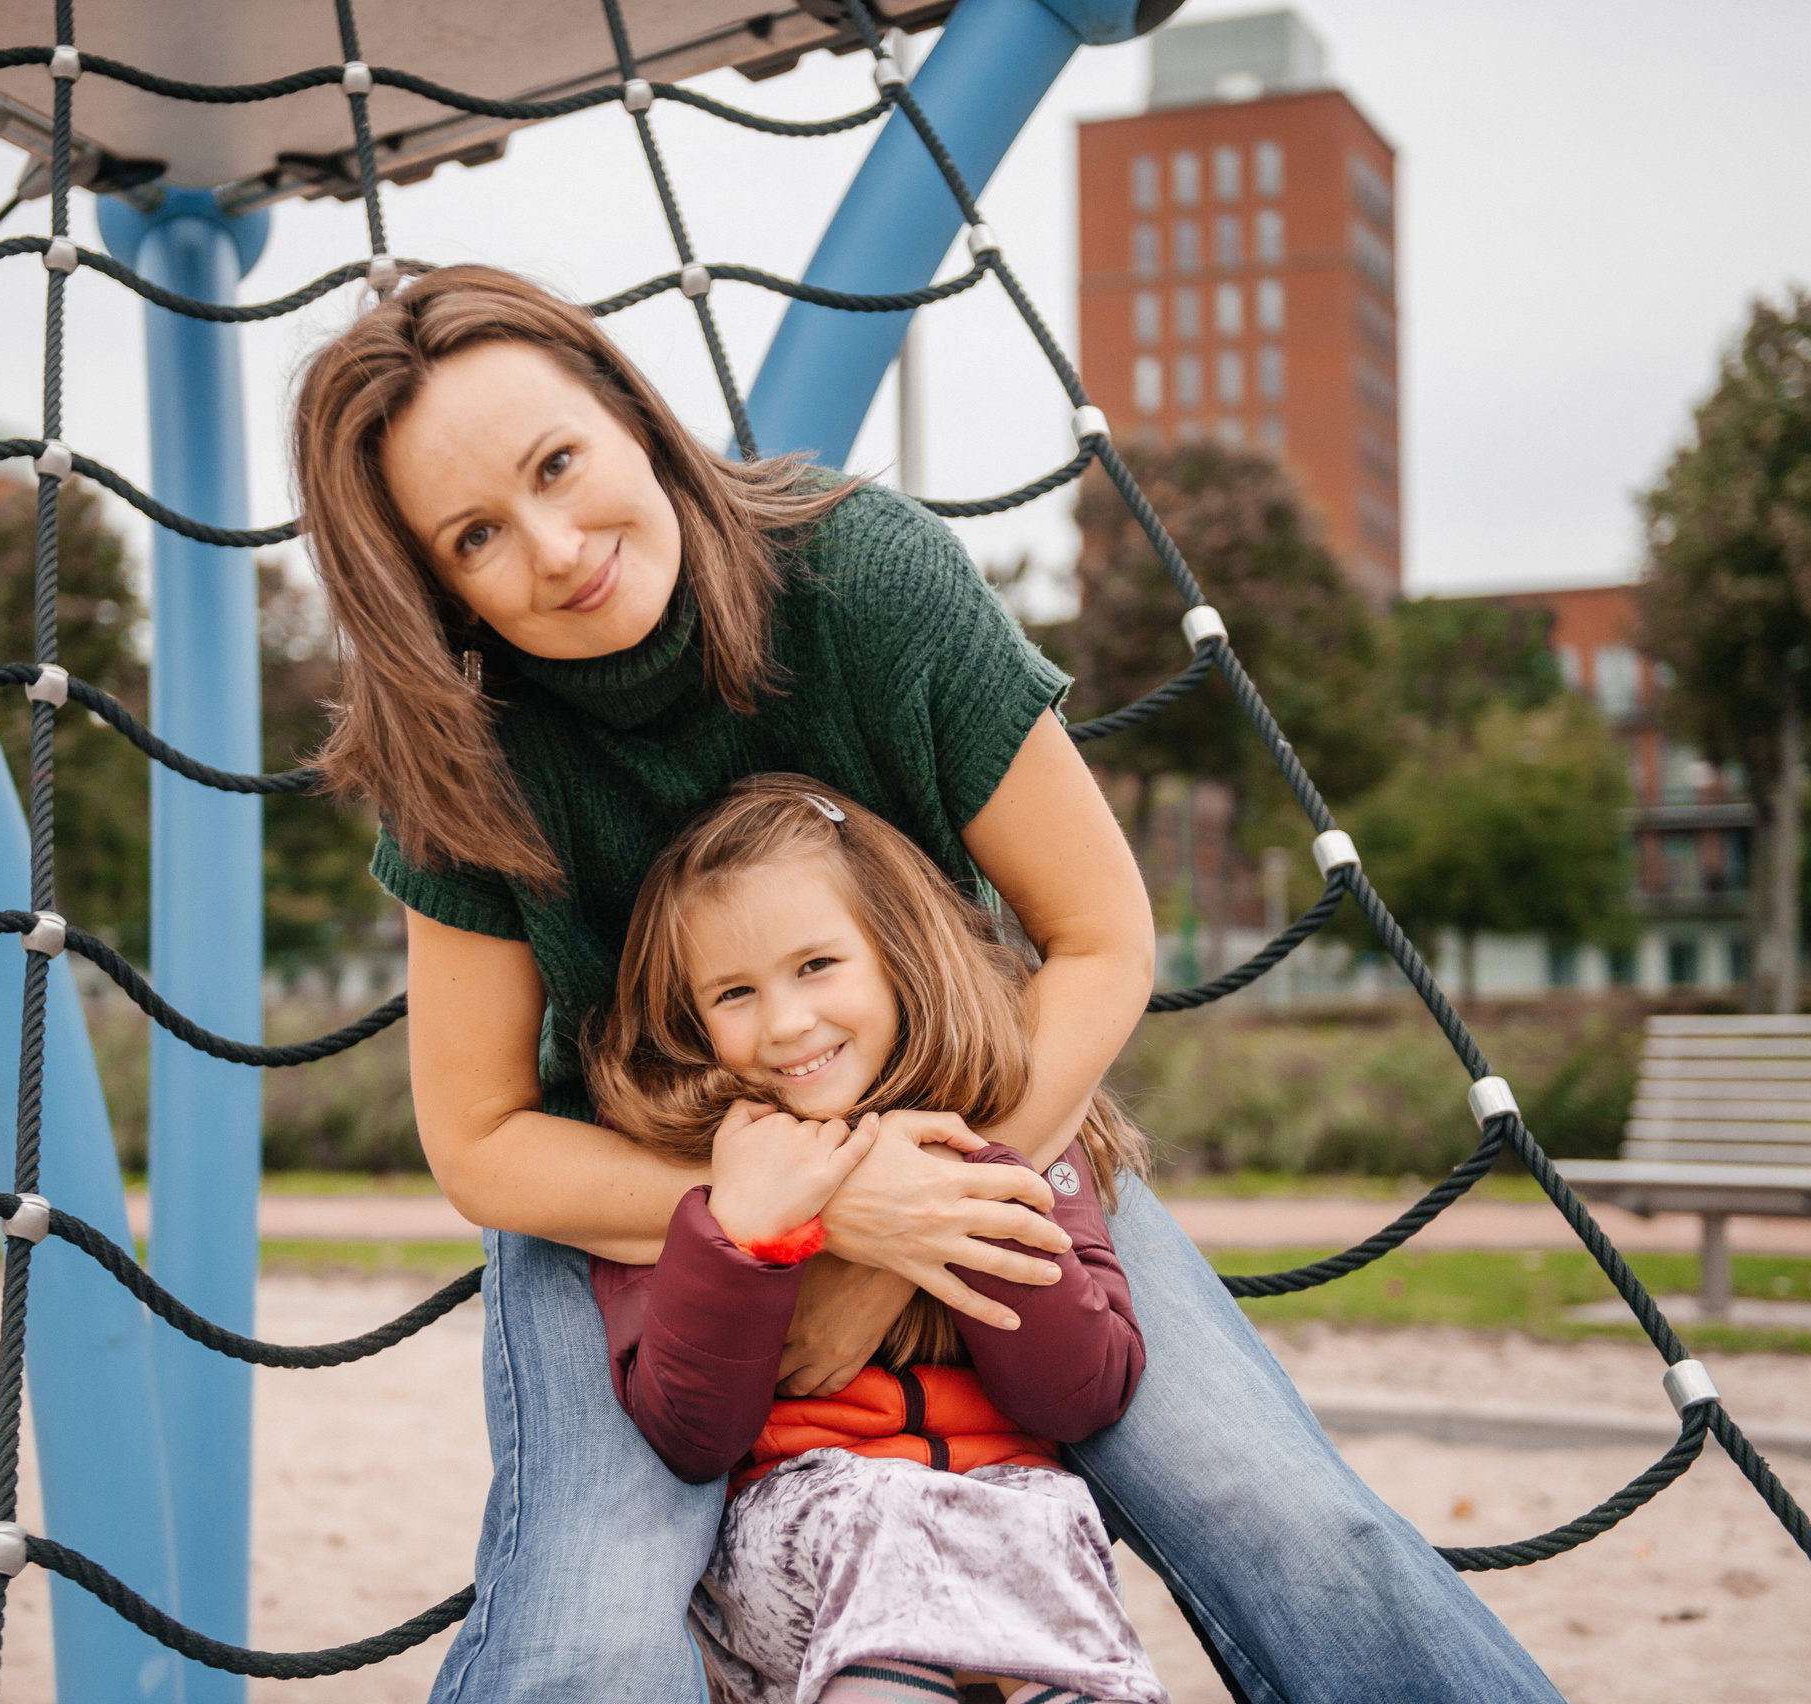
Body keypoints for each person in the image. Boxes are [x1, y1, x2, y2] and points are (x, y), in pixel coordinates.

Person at [292, 264, 1562, 1704]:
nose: (555, 542)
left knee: (1291, 1518)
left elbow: (1101, 941)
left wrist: (913, 1224)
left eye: (559, 464)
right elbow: (481, 1143)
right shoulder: (460, 755)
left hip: (970, 1117)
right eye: (477, 536)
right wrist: (806, 1221)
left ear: (630, 414)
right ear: (438, 591)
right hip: (635, 1208)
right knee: (583, 1638)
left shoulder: (859, 581)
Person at [582, 773, 1167, 1704]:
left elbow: (1085, 1392)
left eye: (817, 966)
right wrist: (745, 1237)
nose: (786, 1023)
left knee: (1049, 1531)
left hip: (1005, 1503)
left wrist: (971, 1200)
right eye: (734, 993)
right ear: (693, 1020)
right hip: (805, 1523)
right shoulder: (695, 1167)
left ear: (895, 955)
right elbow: (690, 1432)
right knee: (882, 1519)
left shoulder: (1016, 1122)